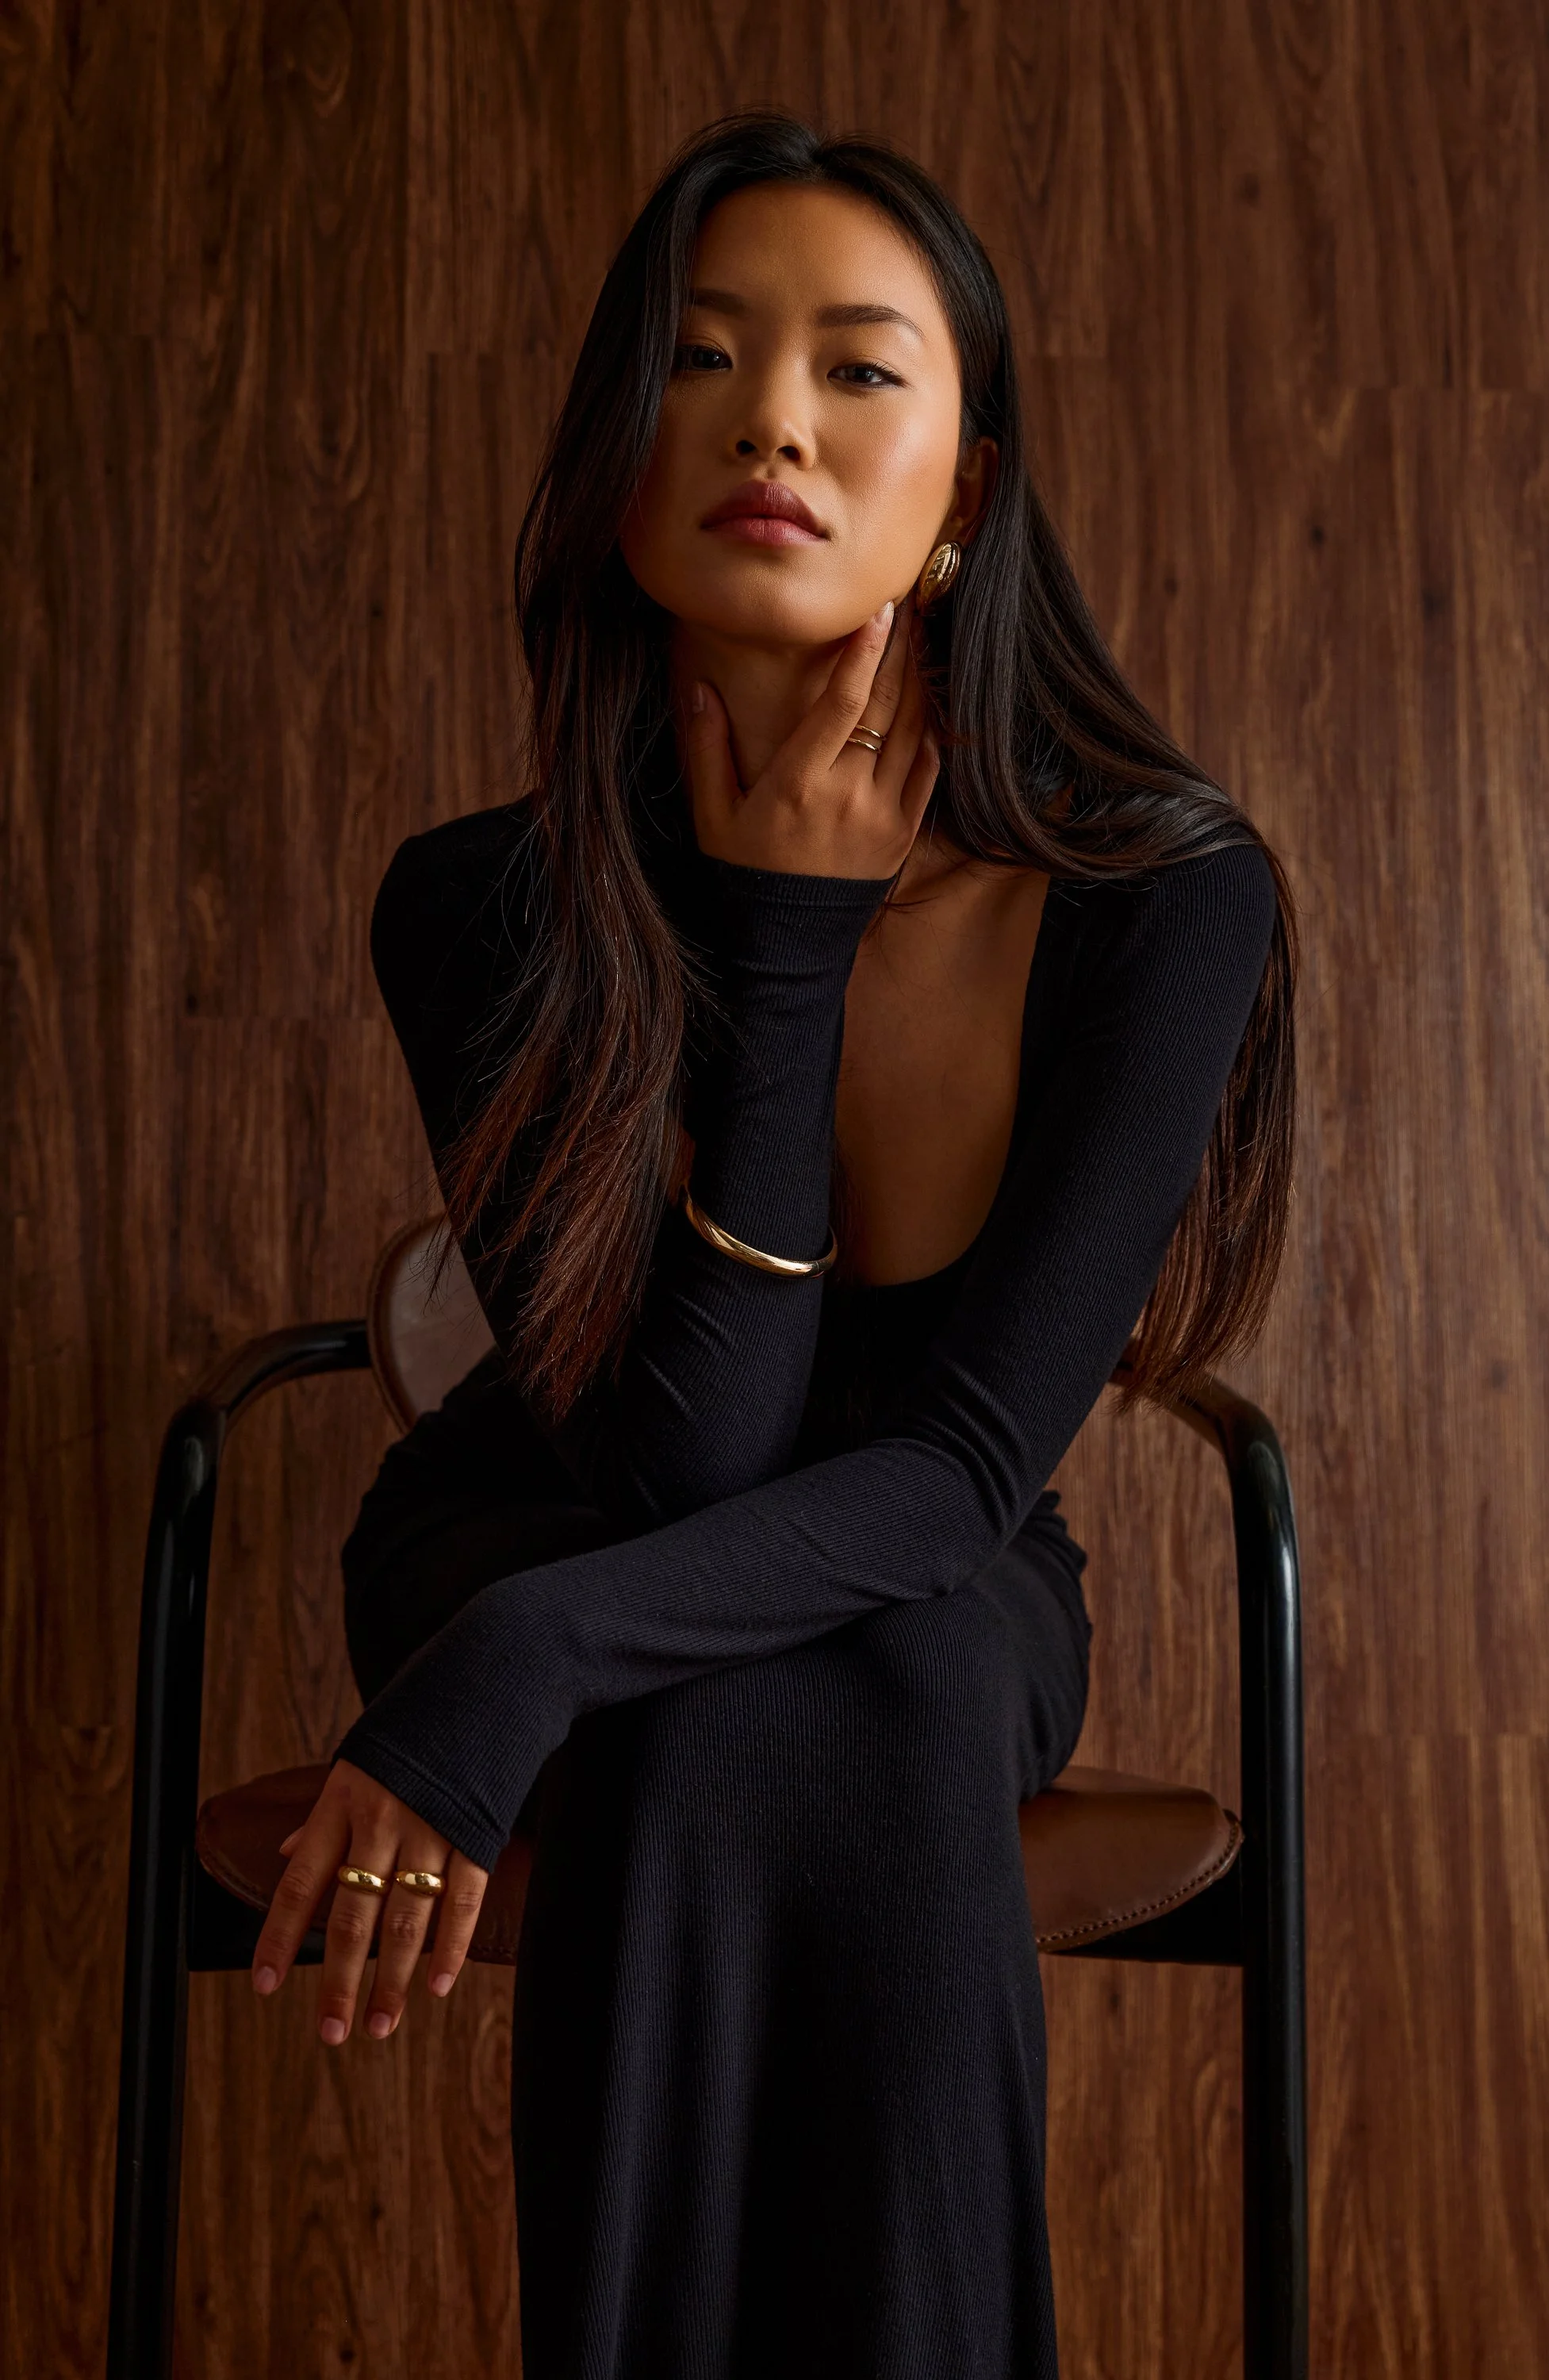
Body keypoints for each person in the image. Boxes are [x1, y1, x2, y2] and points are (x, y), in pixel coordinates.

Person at [249, 111, 1295, 2379]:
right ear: (611, 471)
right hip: (554, 1505)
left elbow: (957, 1470)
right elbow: (676, 1469)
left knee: (876, 1669)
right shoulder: (480, 906)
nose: (774, 426)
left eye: (858, 368)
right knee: (775, 1701)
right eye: (699, 361)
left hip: (920, 1547)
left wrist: (526, 1660)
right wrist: (788, 944)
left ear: (969, 491)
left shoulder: (1161, 898)